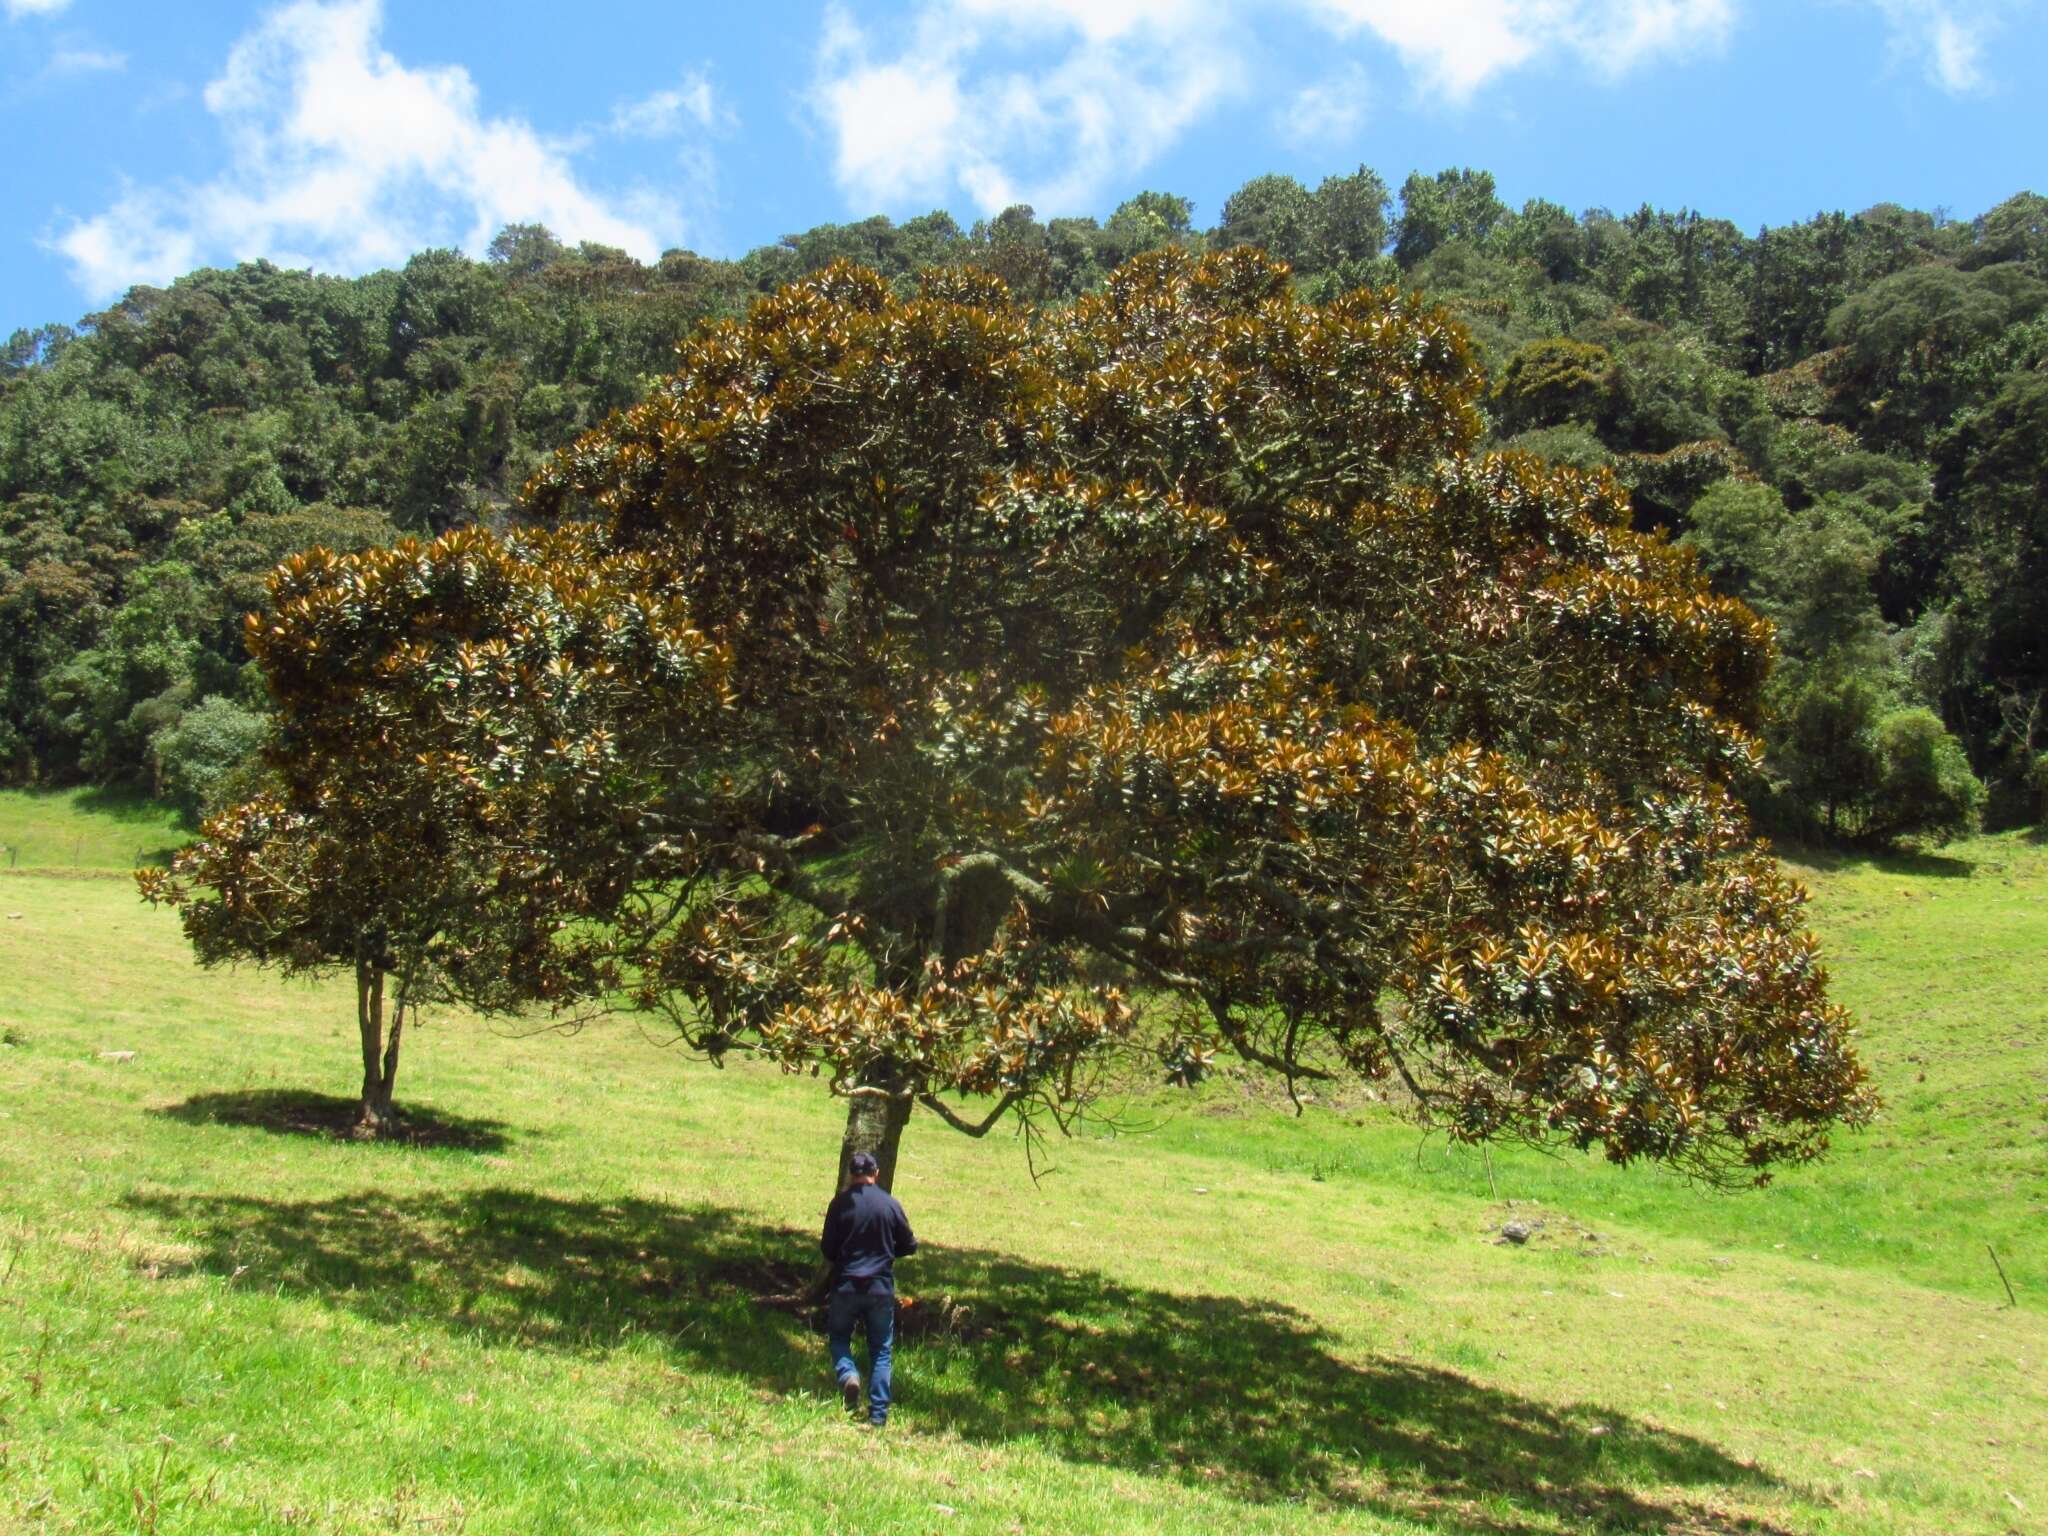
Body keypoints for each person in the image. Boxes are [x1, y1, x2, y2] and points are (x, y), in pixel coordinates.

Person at [819, 1151, 917, 1427]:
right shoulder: (890, 1205)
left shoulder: (840, 1204)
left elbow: (827, 1249)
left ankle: (848, 1374)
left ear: (851, 1175)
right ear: (876, 1174)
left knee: (838, 1337)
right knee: (881, 1351)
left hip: (846, 1285)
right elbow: (910, 1245)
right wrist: (887, 1252)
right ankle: (878, 1416)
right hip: (880, 1289)